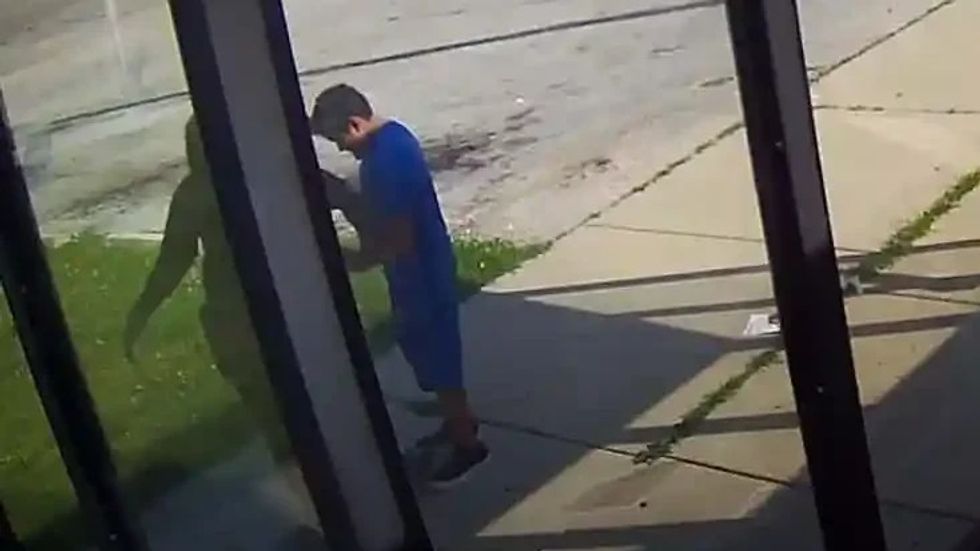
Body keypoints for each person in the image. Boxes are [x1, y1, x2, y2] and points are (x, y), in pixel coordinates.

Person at [310, 84, 489, 487]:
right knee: (435, 352)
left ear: (354, 123)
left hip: (418, 276)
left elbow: (397, 241)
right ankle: (458, 421)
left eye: (338, 138)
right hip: (431, 266)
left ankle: (466, 446)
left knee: (438, 362)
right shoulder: (397, 137)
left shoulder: (380, 167)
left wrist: (352, 260)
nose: (340, 149)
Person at [123, 115, 291, 463]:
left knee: (273, 420)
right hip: (270, 304)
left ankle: (311, 495)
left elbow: (173, 261)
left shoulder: (194, 193)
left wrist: (141, 312)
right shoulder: (259, 176)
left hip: (233, 318)